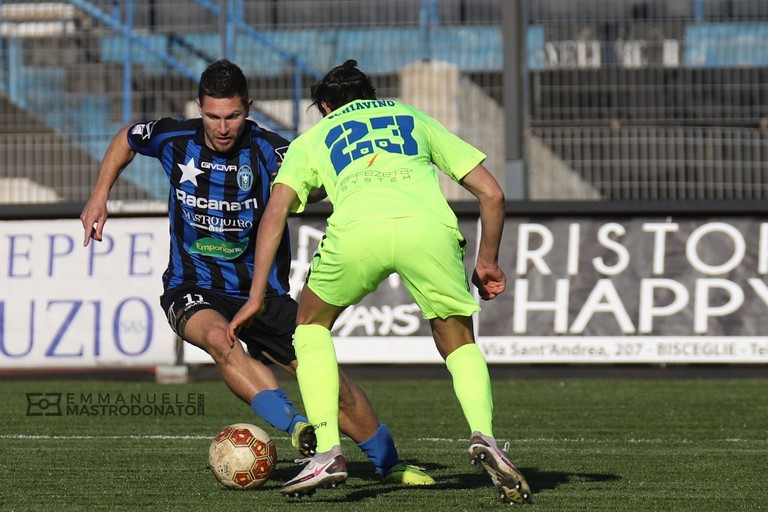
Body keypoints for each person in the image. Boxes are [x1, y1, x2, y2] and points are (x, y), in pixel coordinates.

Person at [80, 59, 433, 487]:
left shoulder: (270, 149)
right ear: (199, 107)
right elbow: (126, 138)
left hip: (261, 293)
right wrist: (99, 196)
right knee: (220, 339)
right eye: (212, 116)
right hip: (192, 286)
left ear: (248, 107)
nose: (223, 127)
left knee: (333, 386)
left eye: (232, 116)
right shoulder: (174, 137)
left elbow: (318, 181)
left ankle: (389, 463)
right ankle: (298, 427)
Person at [228, 59, 533, 504]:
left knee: (310, 327)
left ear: (326, 106)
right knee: (458, 342)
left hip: (358, 233)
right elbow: (492, 193)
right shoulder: (412, 116)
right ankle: (483, 435)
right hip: (427, 230)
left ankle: (328, 451)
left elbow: (274, 212)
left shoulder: (314, 137)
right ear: (371, 96)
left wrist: (256, 295)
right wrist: (487, 263)